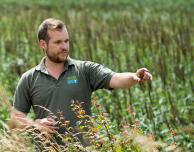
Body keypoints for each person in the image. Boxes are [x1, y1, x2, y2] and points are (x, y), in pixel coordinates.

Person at [10, 18, 153, 150]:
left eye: (66, 41)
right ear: (43, 44)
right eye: (58, 42)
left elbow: (116, 78)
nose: (64, 46)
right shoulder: (29, 78)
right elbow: (15, 120)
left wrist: (134, 76)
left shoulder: (85, 70)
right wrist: (36, 124)